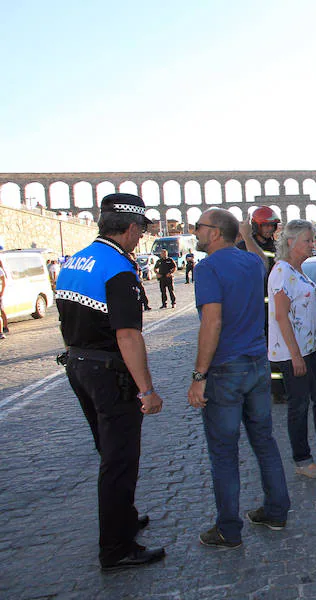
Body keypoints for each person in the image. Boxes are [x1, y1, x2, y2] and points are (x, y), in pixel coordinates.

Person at [54, 192, 165, 571]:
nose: (140, 238)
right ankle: (116, 548)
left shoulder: (78, 259)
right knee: (119, 460)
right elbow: (128, 336)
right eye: (140, 231)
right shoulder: (117, 267)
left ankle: (124, 518)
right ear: (131, 228)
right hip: (108, 372)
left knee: (109, 451)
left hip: (79, 364)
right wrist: (147, 390)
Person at [188, 208, 290, 549]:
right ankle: (276, 510)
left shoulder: (207, 268)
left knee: (224, 452)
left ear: (215, 233)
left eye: (200, 227)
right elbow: (263, 262)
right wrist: (246, 235)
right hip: (257, 364)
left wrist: (199, 375)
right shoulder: (251, 263)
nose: (196, 232)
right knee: (265, 442)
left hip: (226, 369)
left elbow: (212, 323)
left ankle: (228, 529)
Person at [268, 220, 316, 479]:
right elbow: (281, 317)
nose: (312, 244)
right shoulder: (281, 272)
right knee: (299, 405)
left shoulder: (299, 271)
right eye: (307, 240)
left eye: (312, 239)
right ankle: (302, 459)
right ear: (291, 242)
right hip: (293, 353)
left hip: (311, 349)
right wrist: (295, 355)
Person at [237, 207, 285, 404]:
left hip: (274, 308)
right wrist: (247, 238)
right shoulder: (243, 246)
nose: (268, 229)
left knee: (277, 350)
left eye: (271, 225)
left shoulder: (277, 246)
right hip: (254, 309)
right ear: (256, 226)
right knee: (256, 351)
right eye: (265, 225)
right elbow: (260, 265)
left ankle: (278, 390)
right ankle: (256, 388)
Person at [0, 262, 8, 339]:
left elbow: (4, 283)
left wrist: (2, 292)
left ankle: (5, 327)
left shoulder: (0, 271)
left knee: (2, 311)